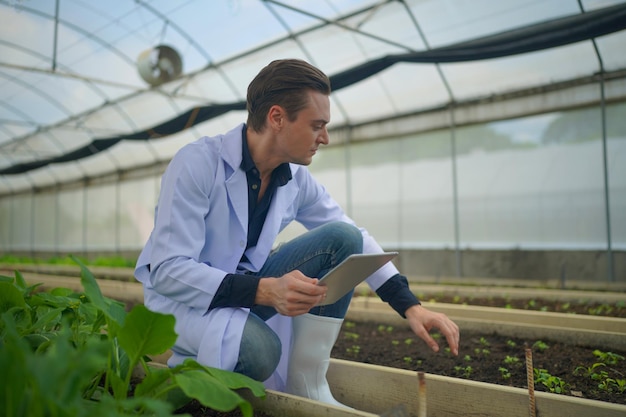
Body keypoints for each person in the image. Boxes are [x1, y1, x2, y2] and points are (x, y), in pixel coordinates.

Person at [134, 59, 460, 408]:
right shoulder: (197, 164)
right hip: (183, 303)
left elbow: (356, 237)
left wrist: (411, 307)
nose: (325, 138)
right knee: (260, 351)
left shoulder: (294, 179)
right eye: (317, 125)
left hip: (247, 292)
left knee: (342, 239)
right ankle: (176, 392)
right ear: (277, 118)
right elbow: (168, 271)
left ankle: (309, 385)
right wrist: (265, 290)